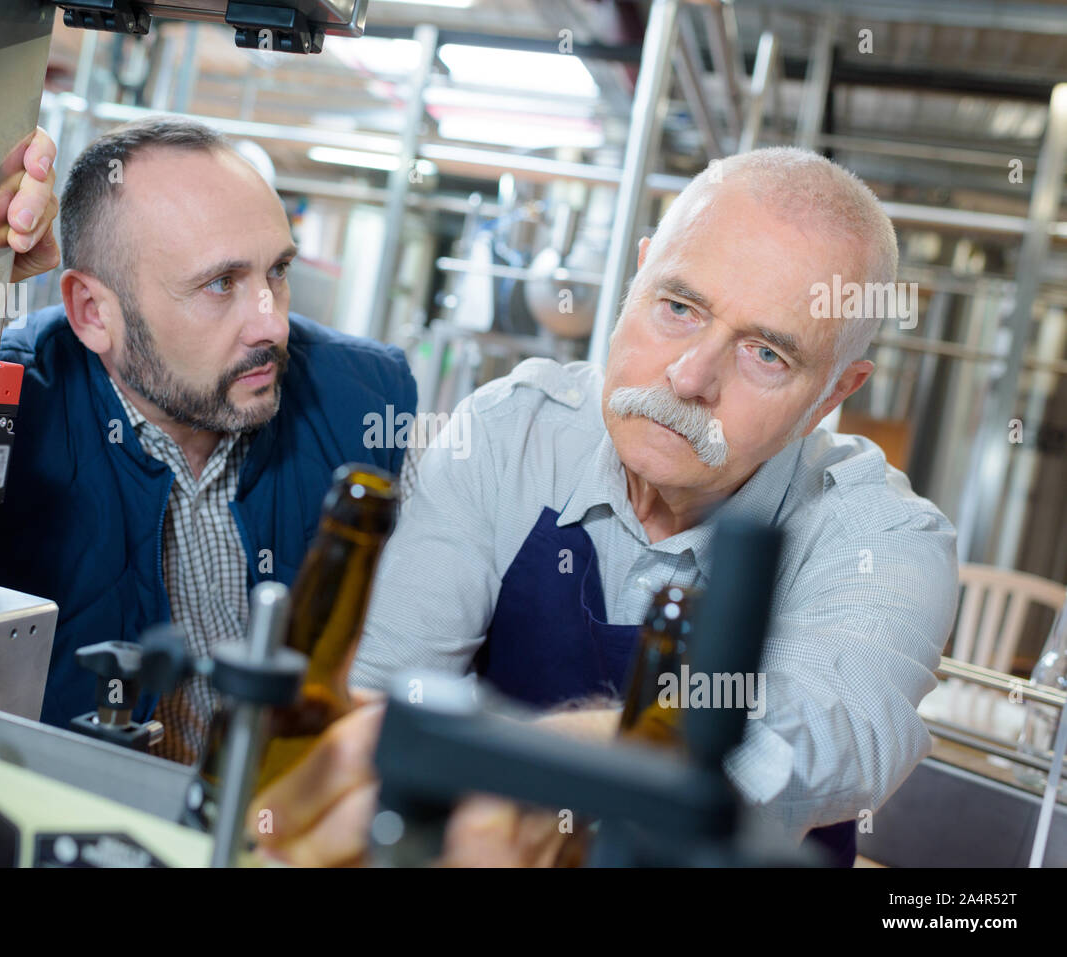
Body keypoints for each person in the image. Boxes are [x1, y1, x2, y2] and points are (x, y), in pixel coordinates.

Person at [251, 147, 960, 867]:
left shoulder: (883, 538)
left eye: (765, 354)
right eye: (679, 307)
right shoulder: (508, 434)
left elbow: (810, 740)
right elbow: (381, 692)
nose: (689, 377)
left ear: (834, 394)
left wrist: (529, 765)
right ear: (637, 276)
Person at [0, 120, 419, 765]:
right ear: (92, 312)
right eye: (221, 283)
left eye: (276, 271)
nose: (271, 321)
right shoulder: (3, 405)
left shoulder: (366, 400)